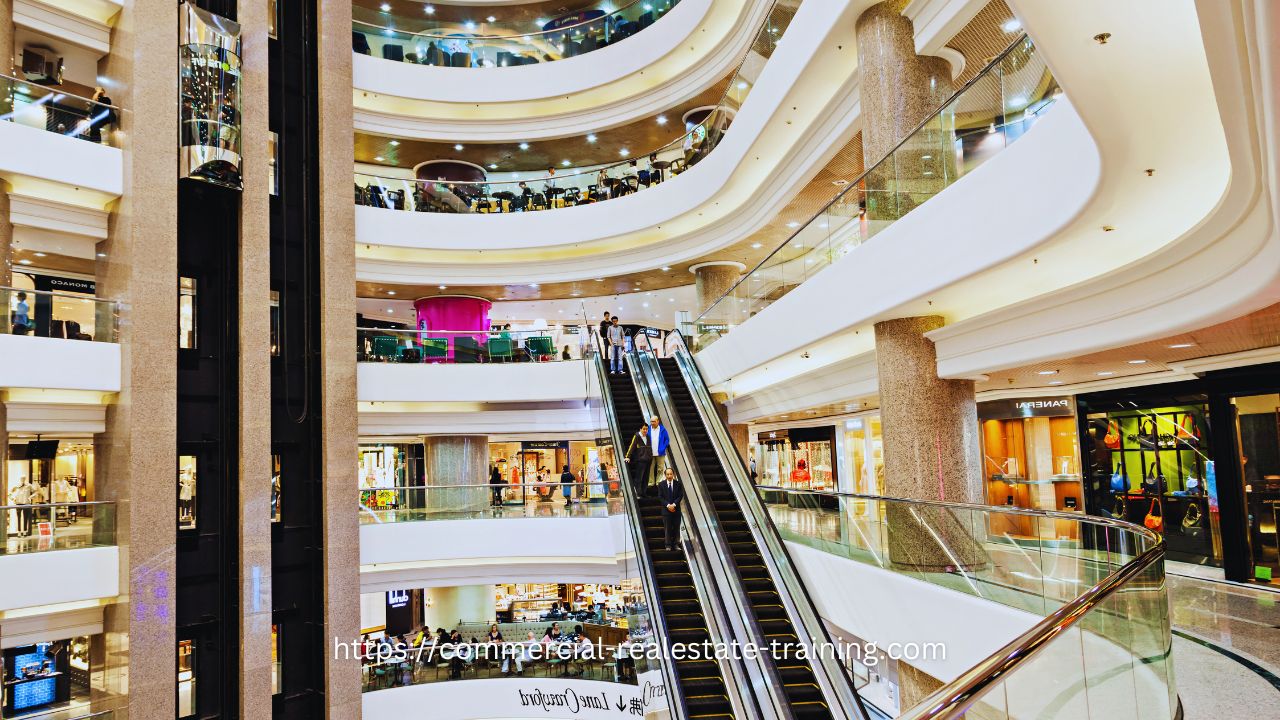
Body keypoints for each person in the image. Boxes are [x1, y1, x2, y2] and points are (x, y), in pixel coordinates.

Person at [657, 467, 684, 551]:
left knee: (676, 527)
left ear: (673, 474)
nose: (669, 476)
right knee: (667, 528)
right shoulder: (661, 484)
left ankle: (676, 544)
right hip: (666, 510)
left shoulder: (678, 484)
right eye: (667, 474)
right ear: (665, 475)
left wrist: (674, 504)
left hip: (676, 510)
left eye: (671, 474)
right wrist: (668, 505)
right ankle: (668, 545)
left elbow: (680, 495)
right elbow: (660, 497)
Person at [625, 424, 652, 493]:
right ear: (640, 429)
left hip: (648, 460)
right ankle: (638, 492)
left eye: (646, 429)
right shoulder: (637, 436)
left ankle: (644, 492)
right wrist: (627, 456)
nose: (645, 430)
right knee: (639, 477)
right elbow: (632, 446)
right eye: (644, 429)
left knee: (646, 478)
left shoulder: (648, 436)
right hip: (640, 460)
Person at [649, 415, 670, 485]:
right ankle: (651, 482)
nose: (652, 423)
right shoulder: (648, 429)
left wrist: (663, 447)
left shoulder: (663, 429)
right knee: (650, 468)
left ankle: (659, 482)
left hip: (660, 453)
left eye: (654, 421)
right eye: (651, 421)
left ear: (658, 421)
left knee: (660, 469)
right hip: (650, 453)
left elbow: (667, 439)